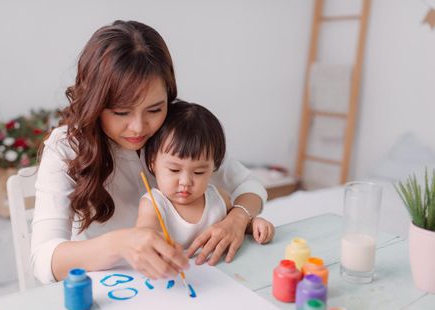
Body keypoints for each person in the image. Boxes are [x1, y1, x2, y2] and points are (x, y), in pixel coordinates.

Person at [31, 20, 268, 284]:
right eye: (121, 112)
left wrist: (237, 218)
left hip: (184, 282)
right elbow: (44, 260)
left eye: (155, 109)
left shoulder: (176, 128)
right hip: (111, 290)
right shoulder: (66, 147)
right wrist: (121, 244)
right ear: (94, 102)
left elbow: (249, 185)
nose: (139, 127)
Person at [137, 100, 275, 255]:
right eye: (174, 170)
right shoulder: (153, 204)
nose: (185, 182)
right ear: (152, 163)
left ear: (213, 168)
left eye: (199, 172)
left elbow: (238, 224)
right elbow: (145, 234)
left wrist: (256, 224)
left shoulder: (218, 197)